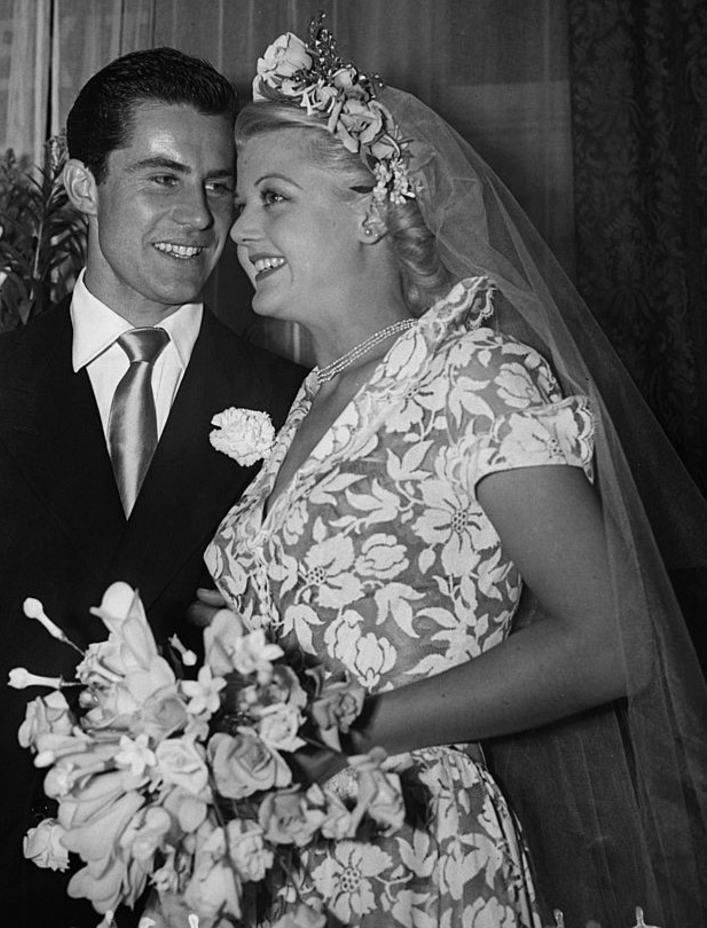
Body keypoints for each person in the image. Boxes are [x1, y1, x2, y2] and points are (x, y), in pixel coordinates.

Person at [200, 20, 707, 928]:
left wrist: (353, 728)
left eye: (270, 198)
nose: (237, 231)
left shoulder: (470, 375)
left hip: (411, 858)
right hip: (276, 852)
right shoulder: (310, 397)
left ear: (369, 208)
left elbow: (618, 638)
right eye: (241, 204)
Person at [0, 47, 304, 928]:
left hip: (205, 889)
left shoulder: (293, 408)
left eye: (218, 185)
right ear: (85, 188)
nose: (198, 218)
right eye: (162, 177)